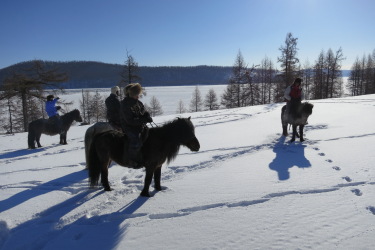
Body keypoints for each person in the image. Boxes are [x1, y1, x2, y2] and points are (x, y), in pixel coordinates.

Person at [120, 83, 153, 167]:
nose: (138, 96)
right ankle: (131, 160)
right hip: (129, 127)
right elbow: (130, 121)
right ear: (130, 94)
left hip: (138, 125)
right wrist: (143, 119)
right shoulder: (125, 104)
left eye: (138, 94)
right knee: (136, 141)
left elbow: (142, 112)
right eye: (136, 94)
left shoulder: (138, 103)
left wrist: (147, 115)